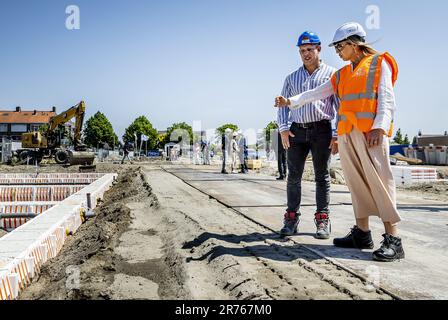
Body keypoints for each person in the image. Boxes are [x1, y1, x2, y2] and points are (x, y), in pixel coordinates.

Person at [275, 22, 404, 262]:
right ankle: (362, 233)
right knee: (356, 185)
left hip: (371, 135)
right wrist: (290, 102)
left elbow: (387, 99)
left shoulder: (379, 63)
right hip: (348, 135)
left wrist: (379, 127)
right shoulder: (343, 73)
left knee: (381, 183)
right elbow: (316, 93)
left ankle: (393, 240)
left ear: (354, 44)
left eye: (340, 47)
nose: (337, 52)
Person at [276, 31, 339, 239]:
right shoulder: (291, 78)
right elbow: (283, 106)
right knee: (293, 177)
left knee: (322, 176)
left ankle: (322, 220)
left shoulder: (332, 75)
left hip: (322, 130)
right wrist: (284, 129)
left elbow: (340, 106)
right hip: (296, 131)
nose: (306, 54)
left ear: (319, 49)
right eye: (302, 51)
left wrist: (336, 134)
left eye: (310, 49)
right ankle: (291, 219)